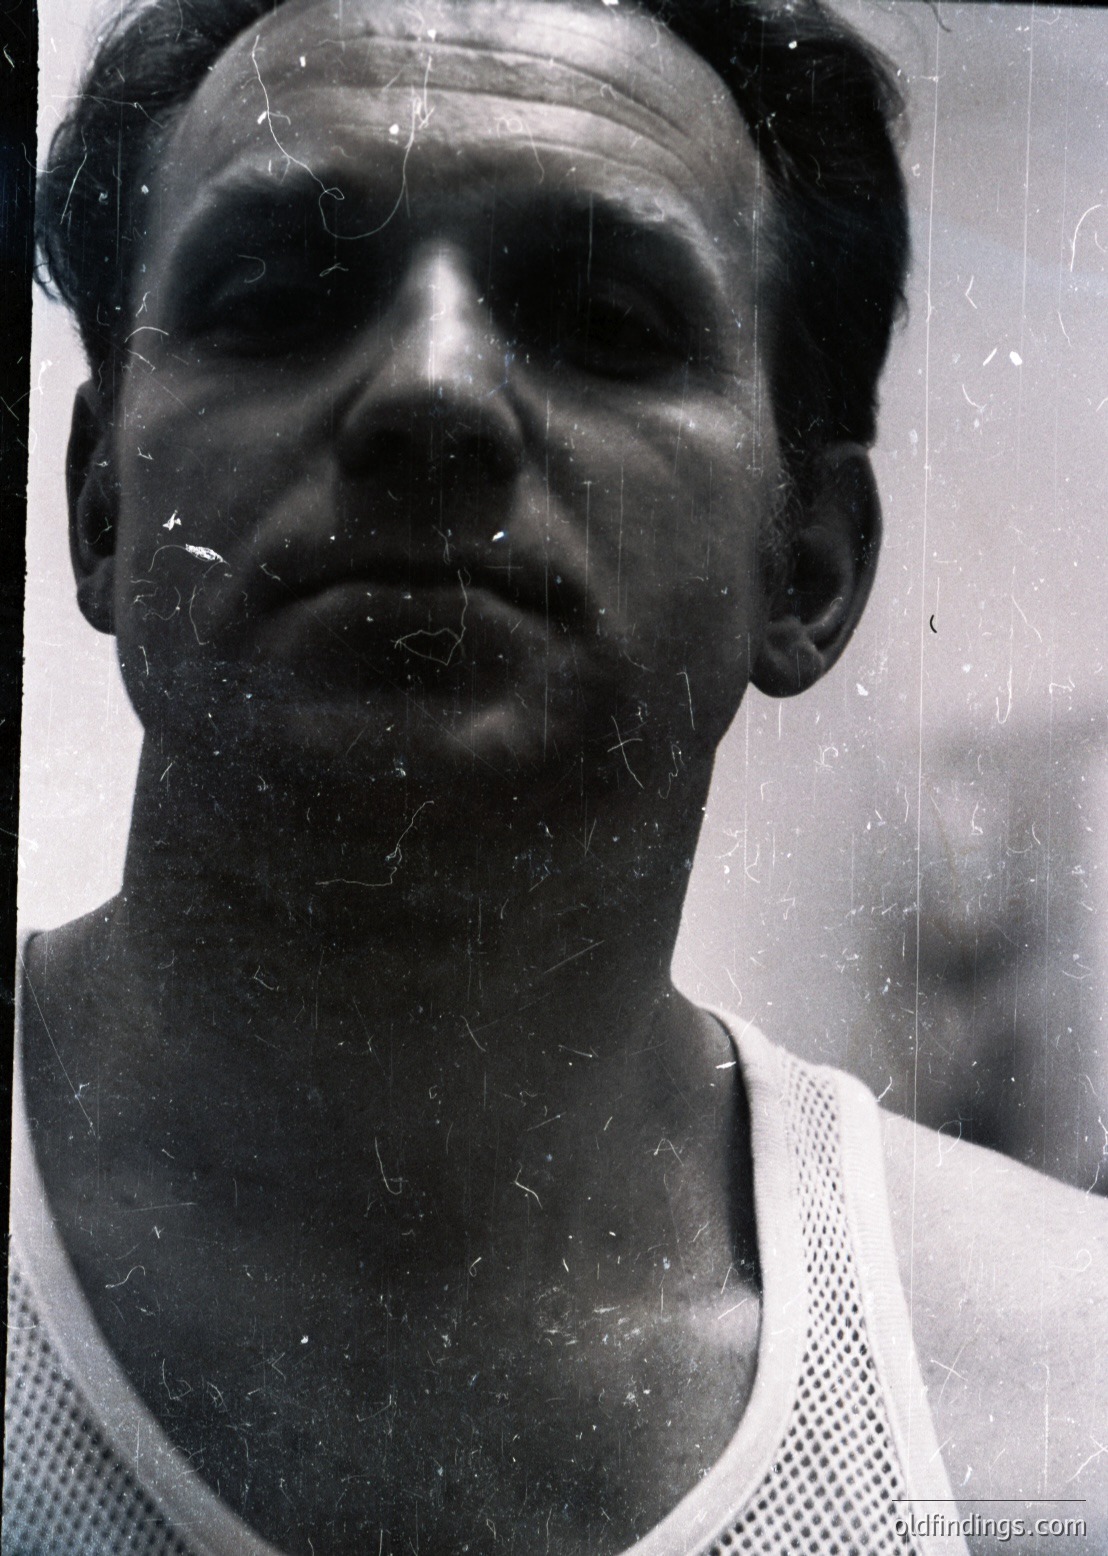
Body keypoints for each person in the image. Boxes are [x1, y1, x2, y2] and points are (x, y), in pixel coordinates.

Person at [5, 0, 1106, 1552]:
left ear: (808, 565)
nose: (430, 393)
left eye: (601, 319)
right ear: (101, 506)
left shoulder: (1066, 1405)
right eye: (281, 292)